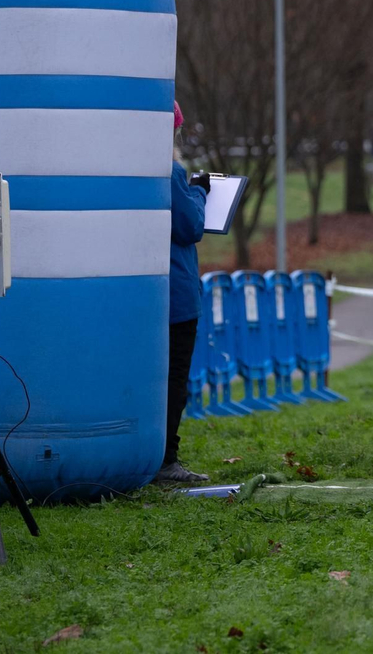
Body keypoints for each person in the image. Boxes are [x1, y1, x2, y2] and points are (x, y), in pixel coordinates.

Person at [155, 102, 210, 485]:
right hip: (177, 292)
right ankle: (166, 460)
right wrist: (200, 194)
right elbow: (190, 227)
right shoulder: (170, 171)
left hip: (145, 292)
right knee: (175, 378)